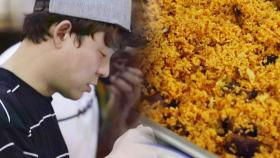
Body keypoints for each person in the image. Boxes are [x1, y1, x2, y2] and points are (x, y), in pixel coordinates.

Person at [0, 0, 143, 157]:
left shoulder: (38, 103)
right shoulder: (4, 114)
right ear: (62, 33)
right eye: (102, 54)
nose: (105, 71)